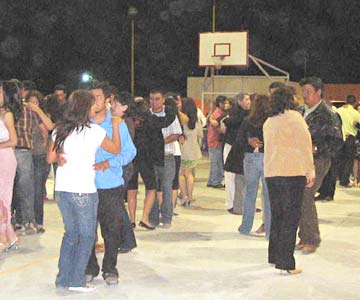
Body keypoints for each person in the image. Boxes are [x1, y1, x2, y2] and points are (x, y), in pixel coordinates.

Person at [47, 89, 122, 292]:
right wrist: (115, 125)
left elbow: (50, 159)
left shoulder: (60, 129)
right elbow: (115, 148)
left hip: (62, 189)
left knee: (71, 234)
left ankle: (63, 278)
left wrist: (62, 154)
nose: (95, 107)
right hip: (83, 190)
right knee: (87, 236)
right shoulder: (94, 131)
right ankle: (76, 280)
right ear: (85, 108)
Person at [84, 82, 136, 286]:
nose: (93, 100)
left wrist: (109, 162)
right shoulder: (82, 122)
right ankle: (90, 267)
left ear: (107, 100)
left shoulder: (116, 123)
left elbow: (129, 152)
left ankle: (109, 267)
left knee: (111, 229)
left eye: (97, 96)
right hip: (85, 185)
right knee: (87, 229)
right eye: (90, 97)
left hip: (110, 185)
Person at [264, 86, 315, 275]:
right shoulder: (295, 118)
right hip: (292, 172)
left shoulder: (269, 121)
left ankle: (274, 255)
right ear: (290, 98)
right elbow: (305, 146)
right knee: (291, 218)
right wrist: (310, 170)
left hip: (272, 172)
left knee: (277, 215)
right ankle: (286, 262)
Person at [297, 76, 343, 254]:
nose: (304, 95)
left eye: (308, 92)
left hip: (319, 160)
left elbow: (337, 141)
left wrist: (316, 148)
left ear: (319, 92)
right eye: (303, 92)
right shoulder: (302, 111)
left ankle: (312, 239)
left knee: (306, 194)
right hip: (301, 159)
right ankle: (304, 236)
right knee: (300, 196)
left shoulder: (327, 114)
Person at [238, 95, 271, 239]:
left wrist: (249, 141)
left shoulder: (248, 121)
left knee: (249, 193)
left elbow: (239, 140)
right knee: (268, 195)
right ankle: (270, 229)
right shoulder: (271, 121)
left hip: (251, 158)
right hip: (268, 159)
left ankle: (245, 226)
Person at [149, 89, 182, 228]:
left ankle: (167, 218)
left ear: (162, 100)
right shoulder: (147, 115)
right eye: (151, 99)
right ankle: (152, 217)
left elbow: (177, 134)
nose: (154, 102)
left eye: (157, 99)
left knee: (166, 187)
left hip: (168, 156)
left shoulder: (170, 114)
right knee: (151, 188)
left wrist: (160, 141)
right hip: (151, 157)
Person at [26, 90, 52, 233]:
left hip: (41, 156)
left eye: (36, 102)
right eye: (31, 102)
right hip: (27, 154)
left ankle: (38, 221)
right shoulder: (24, 116)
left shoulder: (43, 116)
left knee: (38, 189)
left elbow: (49, 127)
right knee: (26, 189)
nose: (33, 105)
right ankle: (25, 219)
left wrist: (38, 111)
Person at [0, 81, 21, 253]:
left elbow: (14, 141)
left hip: (5, 159)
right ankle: (10, 236)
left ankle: (3, 238)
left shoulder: (7, 114)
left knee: (3, 200)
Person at [222, 93, 250, 214]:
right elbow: (226, 121)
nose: (249, 102)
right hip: (231, 146)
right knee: (230, 176)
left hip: (241, 148)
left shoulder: (246, 113)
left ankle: (244, 204)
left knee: (243, 177)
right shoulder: (235, 113)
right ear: (239, 101)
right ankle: (231, 204)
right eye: (247, 99)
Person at [178, 97, 203, 206]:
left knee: (181, 174)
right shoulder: (196, 120)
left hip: (182, 150)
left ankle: (184, 196)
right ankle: (190, 196)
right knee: (190, 174)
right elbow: (200, 134)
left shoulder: (181, 120)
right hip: (193, 150)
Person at [336, 95, 360, 187]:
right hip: (350, 138)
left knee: (339, 159)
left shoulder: (338, 110)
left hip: (339, 137)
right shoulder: (355, 113)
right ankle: (344, 180)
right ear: (354, 103)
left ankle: (338, 177)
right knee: (348, 159)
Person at [206, 95, 227, 188]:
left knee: (215, 162)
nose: (226, 105)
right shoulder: (217, 114)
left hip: (214, 141)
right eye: (224, 103)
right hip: (215, 141)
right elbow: (218, 128)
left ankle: (211, 180)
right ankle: (215, 181)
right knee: (216, 163)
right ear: (220, 103)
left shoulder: (218, 113)